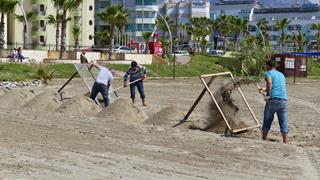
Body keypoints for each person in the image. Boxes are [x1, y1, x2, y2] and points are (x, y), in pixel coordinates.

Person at [259, 60, 288, 143]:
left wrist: (268, 94)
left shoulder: (268, 73)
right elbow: (277, 86)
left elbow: (270, 83)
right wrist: (264, 89)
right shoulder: (281, 74)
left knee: (267, 120)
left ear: (268, 66)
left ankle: (264, 138)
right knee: (283, 121)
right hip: (283, 101)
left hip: (273, 100)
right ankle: (285, 141)